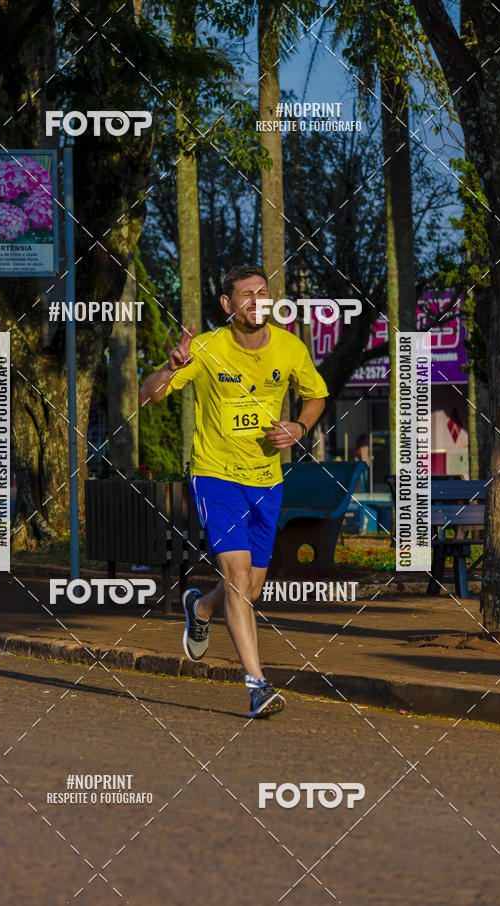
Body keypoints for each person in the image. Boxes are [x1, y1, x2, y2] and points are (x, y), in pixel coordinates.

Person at [139, 265, 328, 718]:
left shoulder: (289, 347)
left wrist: (300, 425)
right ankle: (257, 686)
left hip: (267, 480)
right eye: (246, 295)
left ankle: (200, 608)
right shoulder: (205, 349)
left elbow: (316, 395)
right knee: (239, 579)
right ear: (228, 305)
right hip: (216, 475)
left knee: (250, 586)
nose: (256, 301)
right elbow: (150, 395)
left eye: (263, 293)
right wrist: (169, 368)